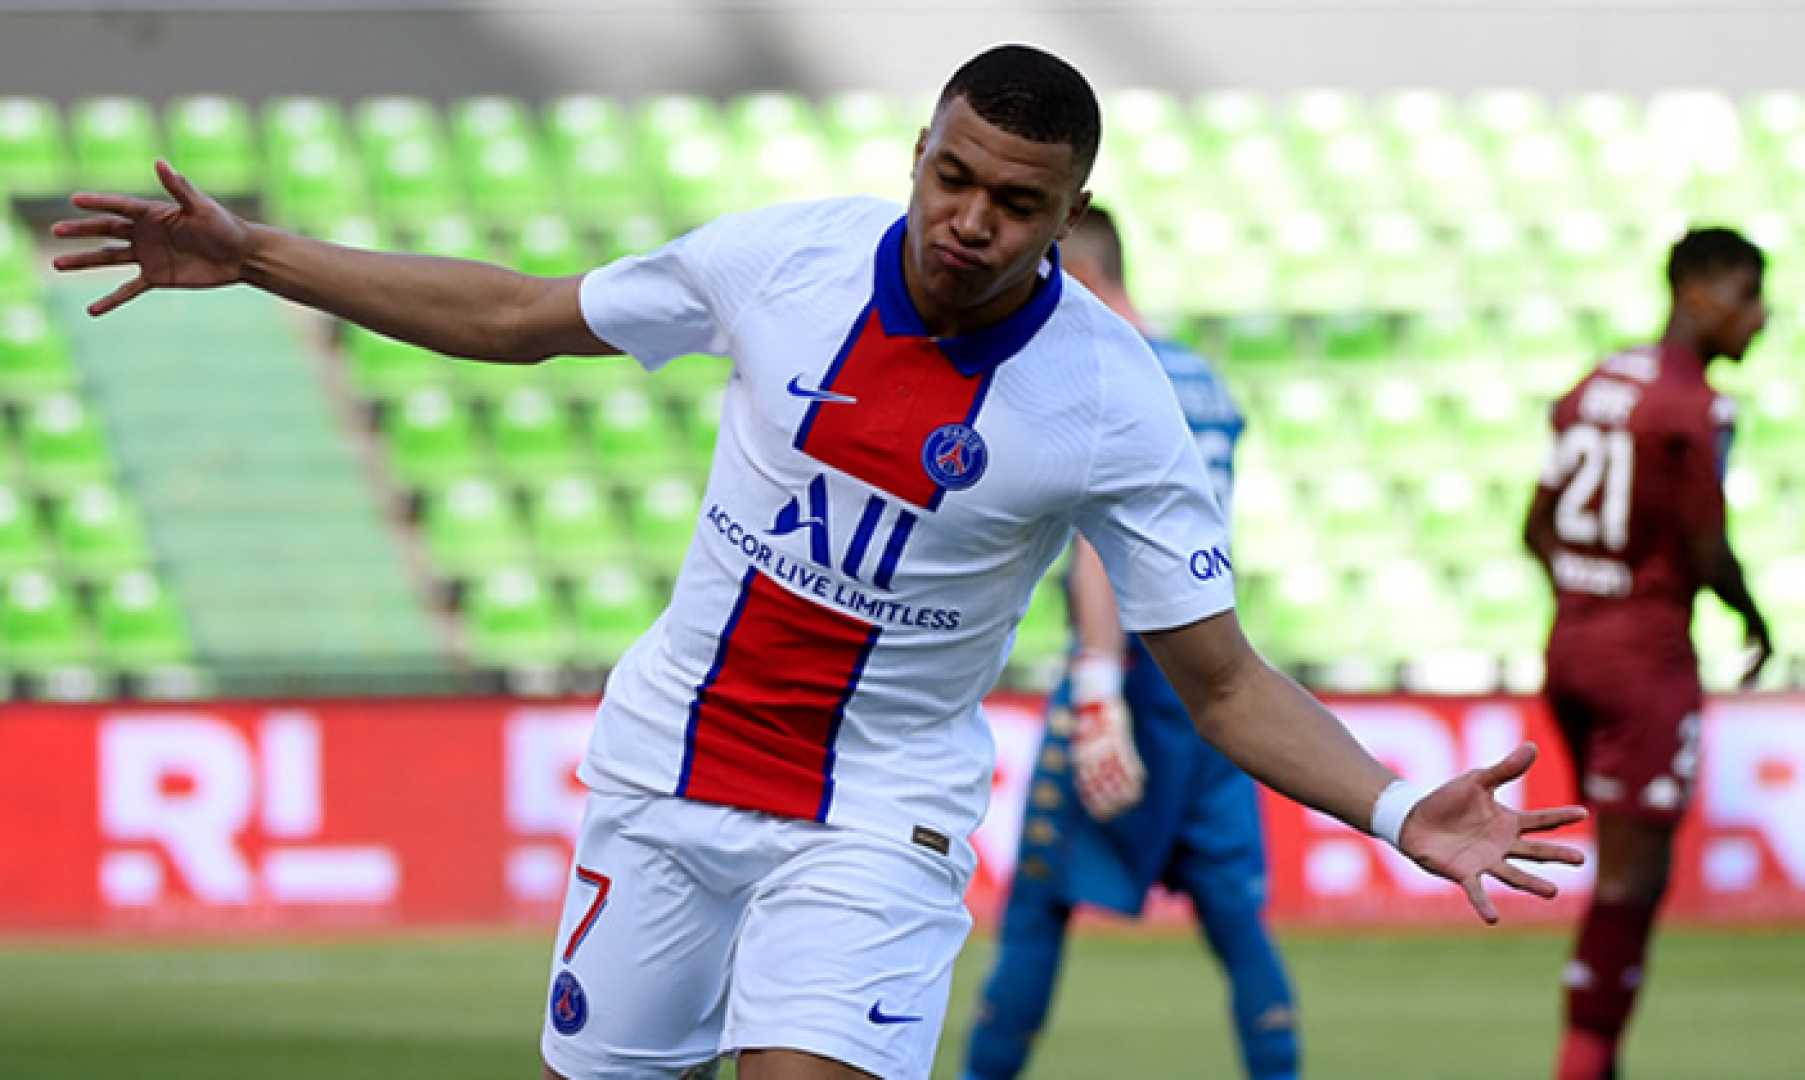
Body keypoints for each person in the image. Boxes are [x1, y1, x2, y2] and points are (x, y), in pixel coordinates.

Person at [57, 44, 1585, 1080]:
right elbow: (520, 317)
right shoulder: (780, 261)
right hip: (665, 771)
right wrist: (257, 256)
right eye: (954, 178)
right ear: (917, 153)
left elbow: (1224, 681)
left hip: (876, 813)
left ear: (1067, 218)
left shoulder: (1114, 403)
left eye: (1019, 205)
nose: (972, 221)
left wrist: (1398, 806)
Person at [962, 207, 1297, 1080]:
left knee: (1038, 907)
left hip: (1133, 671)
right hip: (1211, 668)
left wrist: (1097, 687)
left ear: (1071, 272)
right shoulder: (1201, 378)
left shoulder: (1105, 374)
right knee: (1235, 918)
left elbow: (1111, 546)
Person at [1523, 226, 1773, 1080]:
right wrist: (1753, 618)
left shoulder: (1597, 382)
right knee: (1631, 884)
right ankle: (1584, 1060)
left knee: (1616, 870)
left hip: (1570, 649)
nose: (1759, 317)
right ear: (1694, 294)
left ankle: (1596, 1058)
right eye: (1746, 296)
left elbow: (1534, 526)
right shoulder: (1689, 407)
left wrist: (1582, 599)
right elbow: (1707, 551)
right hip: (1646, 662)